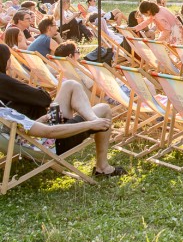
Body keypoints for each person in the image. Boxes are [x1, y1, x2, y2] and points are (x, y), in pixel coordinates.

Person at [0, 43, 124, 176]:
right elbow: (50, 132)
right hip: (53, 143)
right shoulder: (5, 111)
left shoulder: (4, 111)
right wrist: (91, 124)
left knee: (70, 85)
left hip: (35, 135)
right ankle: (103, 167)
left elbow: (24, 126)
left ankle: (92, 117)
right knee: (104, 109)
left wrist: (42, 119)